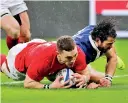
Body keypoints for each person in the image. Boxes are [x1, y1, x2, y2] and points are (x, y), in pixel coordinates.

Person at [0, 36, 90, 89]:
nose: (73, 60)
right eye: (69, 58)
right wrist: (49, 86)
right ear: (58, 55)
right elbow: (28, 83)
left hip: (38, 45)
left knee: (54, 72)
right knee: (5, 67)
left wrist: (85, 78)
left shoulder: (77, 53)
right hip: (18, 58)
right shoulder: (43, 60)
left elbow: (85, 72)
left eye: (75, 55)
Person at [73, 18, 123, 88]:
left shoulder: (97, 30)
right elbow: (83, 74)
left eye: (112, 43)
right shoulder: (83, 51)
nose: (111, 46)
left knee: (111, 56)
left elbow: (112, 57)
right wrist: (87, 84)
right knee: (99, 78)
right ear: (98, 40)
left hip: (84, 52)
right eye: (109, 44)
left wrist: (108, 78)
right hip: (73, 61)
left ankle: (104, 52)